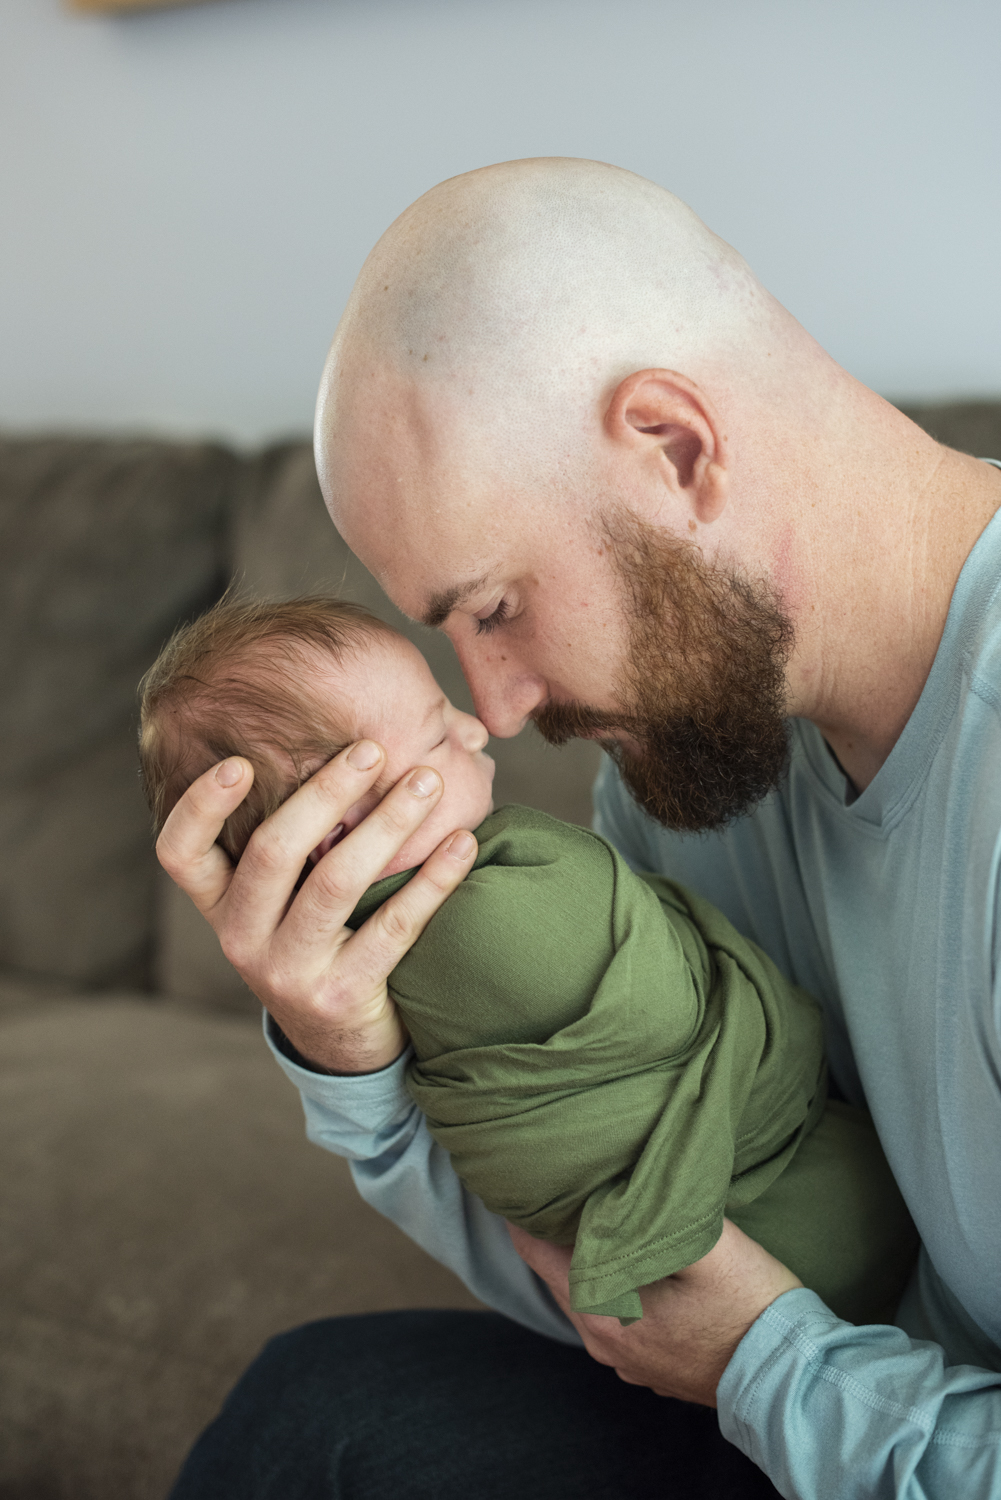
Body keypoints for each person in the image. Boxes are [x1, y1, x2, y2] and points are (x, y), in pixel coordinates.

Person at [160, 159, 1001, 1498]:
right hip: (832, 1406)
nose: (491, 710)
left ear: (675, 447)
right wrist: (357, 1058)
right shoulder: (701, 747)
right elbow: (627, 1264)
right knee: (320, 1416)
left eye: (493, 608)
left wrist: (768, 1364)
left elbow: (730, 1343)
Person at [139, 595, 916, 1330]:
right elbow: (660, 1010)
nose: (482, 724)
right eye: (439, 733)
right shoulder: (482, 918)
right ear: (342, 828)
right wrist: (343, 1058)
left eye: (500, 607)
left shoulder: (476, 891)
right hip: (792, 1247)